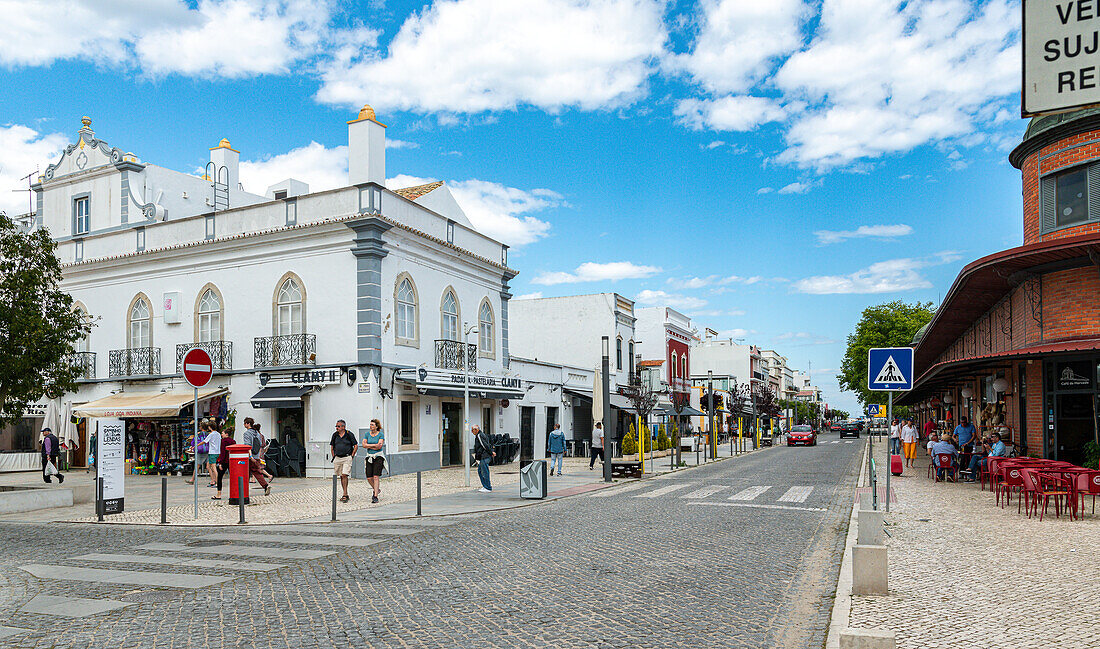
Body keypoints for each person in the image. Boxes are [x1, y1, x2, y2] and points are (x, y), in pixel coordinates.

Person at [330, 419, 357, 502]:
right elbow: (332, 446)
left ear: (343, 427)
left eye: (338, 426)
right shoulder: (335, 435)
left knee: (345, 474)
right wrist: (334, 456)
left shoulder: (349, 434)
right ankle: (345, 493)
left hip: (347, 457)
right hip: (338, 458)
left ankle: (345, 494)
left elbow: (355, 445)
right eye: (336, 426)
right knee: (341, 475)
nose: (336, 428)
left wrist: (352, 456)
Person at [360, 419, 385, 503]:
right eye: (370, 424)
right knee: (369, 477)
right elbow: (363, 445)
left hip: (378, 456)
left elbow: (379, 446)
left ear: (376, 426)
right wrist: (374, 445)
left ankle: (375, 496)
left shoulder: (380, 434)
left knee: (376, 476)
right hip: (369, 456)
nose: (370, 426)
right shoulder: (367, 434)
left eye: (372, 425)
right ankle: (377, 489)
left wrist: (369, 446)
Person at [211, 427, 234, 500]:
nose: (221, 435)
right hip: (231, 461)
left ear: (226, 434)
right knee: (233, 477)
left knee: (219, 477)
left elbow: (223, 453)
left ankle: (219, 494)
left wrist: (220, 462)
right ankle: (234, 493)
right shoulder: (233, 441)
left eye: (222, 433)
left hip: (224, 461)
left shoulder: (223, 441)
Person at [472, 425, 495, 492]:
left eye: (472, 430)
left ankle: (488, 487)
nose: (472, 432)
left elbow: (485, 445)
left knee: (484, 471)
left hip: (485, 456)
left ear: (476, 430)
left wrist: (491, 453)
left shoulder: (479, 435)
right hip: (485, 456)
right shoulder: (482, 435)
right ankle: (485, 486)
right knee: (480, 471)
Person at [204, 422, 222, 487]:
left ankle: (217, 482)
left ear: (210, 427)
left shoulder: (211, 434)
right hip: (217, 452)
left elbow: (204, 441)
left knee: (213, 468)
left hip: (212, 452)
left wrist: (196, 445)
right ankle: (213, 480)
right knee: (208, 466)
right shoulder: (218, 434)